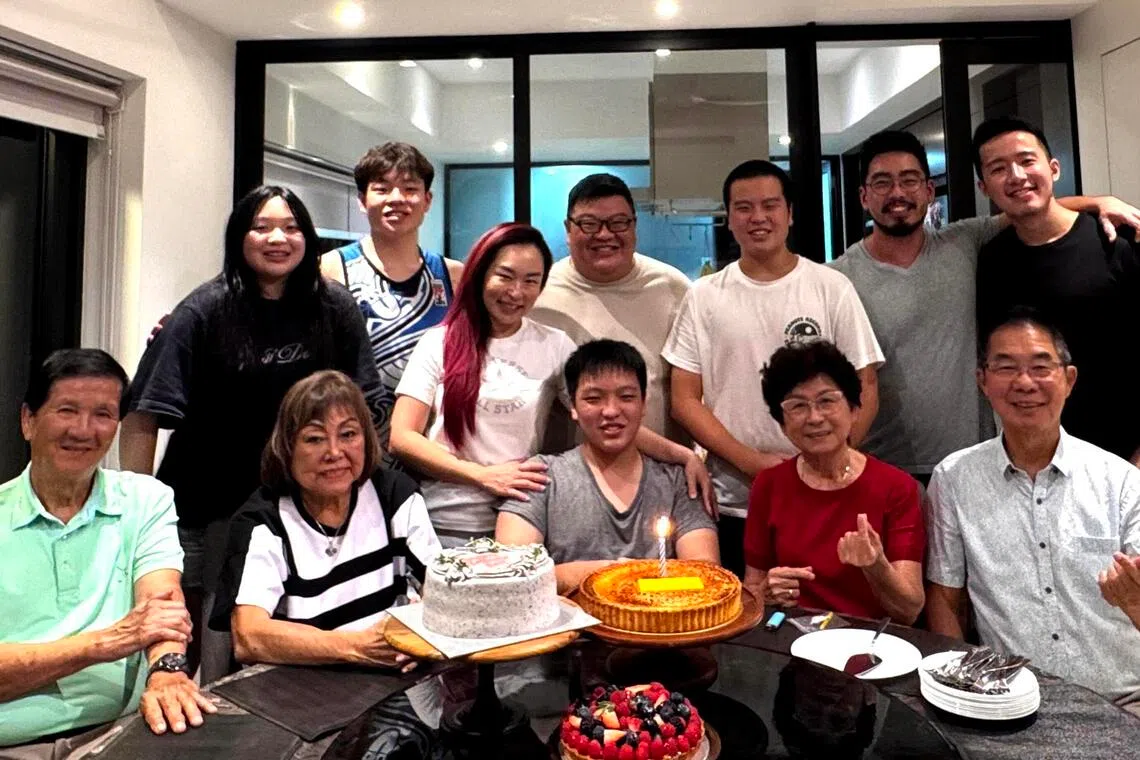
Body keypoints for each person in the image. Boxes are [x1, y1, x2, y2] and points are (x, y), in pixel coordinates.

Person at [118, 185, 385, 682]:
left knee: (284, 644)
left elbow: (365, 404)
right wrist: (136, 513)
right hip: (205, 507)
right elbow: (143, 413)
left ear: (308, 238)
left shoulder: (334, 308)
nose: (277, 239)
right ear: (239, 237)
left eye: (291, 227)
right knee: (190, 649)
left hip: (301, 509)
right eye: (261, 227)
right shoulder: (203, 311)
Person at [831, 130, 1140, 481]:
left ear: (929, 191)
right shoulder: (838, 279)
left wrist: (1099, 202)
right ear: (863, 196)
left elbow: (1029, 208)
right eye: (882, 183)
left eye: (910, 180)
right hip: (880, 467)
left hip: (973, 465)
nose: (897, 193)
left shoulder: (963, 242)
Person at [391, 223, 710, 548]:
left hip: (522, 517)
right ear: (480, 274)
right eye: (505, 276)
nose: (516, 292)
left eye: (531, 281)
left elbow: (601, 414)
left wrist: (683, 456)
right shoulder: (439, 343)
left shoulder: (553, 344)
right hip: (445, 523)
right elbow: (402, 437)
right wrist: (483, 476)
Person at [664, 160, 884, 577]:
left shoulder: (830, 287)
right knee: (743, 607)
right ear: (729, 218)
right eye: (744, 208)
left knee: (824, 609)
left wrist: (826, 459)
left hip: (826, 495)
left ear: (790, 213)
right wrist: (753, 463)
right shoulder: (704, 296)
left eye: (770, 205)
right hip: (734, 499)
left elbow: (866, 385)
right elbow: (684, 399)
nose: (758, 217)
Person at [0, 350, 215, 752]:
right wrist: (107, 643)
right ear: (28, 420)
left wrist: (167, 673)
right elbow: (135, 629)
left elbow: (161, 605)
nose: (84, 430)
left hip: (121, 731)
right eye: (67, 410)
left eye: (103, 414)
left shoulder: (145, 500)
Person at [926, 309, 1140, 705]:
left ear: (1069, 379)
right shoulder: (954, 479)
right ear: (983, 381)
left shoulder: (1123, 482)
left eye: (1041, 367)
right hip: (1009, 704)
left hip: (1125, 700)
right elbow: (944, 599)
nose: (1024, 383)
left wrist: (1133, 602)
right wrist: (962, 693)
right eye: (1006, 367)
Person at [210, 371, 439, 671]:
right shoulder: (263, 521)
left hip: (388, 679)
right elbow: (249, 637)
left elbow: (444, 591)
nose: (334, 452)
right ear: (287, 447)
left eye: (348, 434)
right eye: (314, 439)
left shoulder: (395, 494)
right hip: (294, 687)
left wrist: (419, 634)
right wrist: (357, 647)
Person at [974, 117, 1140, 465]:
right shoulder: (992, 260)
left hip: (1126, 454)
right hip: (1036, 459)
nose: (1016, 176)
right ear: (984, 187)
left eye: (1026, 160)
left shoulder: (1117, 239)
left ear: (1053, 168)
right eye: (998, 168)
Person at [495, 340, 719, 593]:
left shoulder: (678, 481)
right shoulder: (540, 476)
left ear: (643, 404)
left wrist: (619, 579)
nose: (611, 411)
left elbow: (706, 574)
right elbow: (513, 574)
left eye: (626, 397)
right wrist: (616, 574)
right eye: (593, 399)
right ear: (573, 408)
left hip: (660, 617)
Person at [742, 341, 924, 623]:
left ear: (854, 409)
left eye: (827, 401)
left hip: (868, 640)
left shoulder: (897, 488)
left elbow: (910, 610)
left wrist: (876, 566)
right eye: (798, 406)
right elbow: (750, 592)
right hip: (791, 635)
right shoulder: (768, 485)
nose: (815, 417)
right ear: (782, 424)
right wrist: (766, 594)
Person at [530, 174, 691, 448]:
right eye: (589, 224)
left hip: (663, 465)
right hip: (567, 468)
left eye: (618, 222)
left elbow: (691, 391)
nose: (604, 235)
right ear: (568, 229)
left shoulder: (673, 288)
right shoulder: (539, 295)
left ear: (634, 226)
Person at [320, 143, 464, 450]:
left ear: (427, 200)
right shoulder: (331, 269)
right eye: (382, 189)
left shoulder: (453, 276)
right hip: (356, 445)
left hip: (436, 448)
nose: (396, 199)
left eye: (410, 189)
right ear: (362, 200)